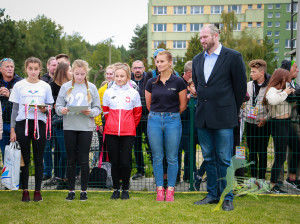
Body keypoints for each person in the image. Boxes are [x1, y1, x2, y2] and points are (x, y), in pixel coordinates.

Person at [192, 24, 247, 211]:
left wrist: (231, 108)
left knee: (225, 159)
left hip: (225, 117)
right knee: (208, 159)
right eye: (200, 37)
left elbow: (240, 89)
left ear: (216, 36)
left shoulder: (233, 57)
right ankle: (212, 194)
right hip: (203, 118)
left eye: (205, 37)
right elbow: (200, 86)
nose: (202, 40)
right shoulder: (197, 59)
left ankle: (227, 197)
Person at [9, 57, 54, 202]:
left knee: (39, 159)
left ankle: (37, 191)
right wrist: (12, 129)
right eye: (30, 69)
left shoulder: (45, 86)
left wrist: (44, 109)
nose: (33, 71)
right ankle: (25, 191)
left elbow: (50, 107)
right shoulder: (19, 85)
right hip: (23, 124)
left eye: (36, 69)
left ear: (40, 69)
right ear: (26, 69)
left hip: (39, 124)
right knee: (25, 159)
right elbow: (15, 109)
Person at [56, 59, 101, 201]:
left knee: (83, 160)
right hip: (69, 126)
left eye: (82, 74)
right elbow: (57, 106)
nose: (80, 77)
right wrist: (62, 110)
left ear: (86, 73)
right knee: (70, 160)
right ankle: (71, 190)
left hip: (85, 127)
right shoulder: (65, 87)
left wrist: (91, 112)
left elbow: (97, 108)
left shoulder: (92, 87)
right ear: (72, 73)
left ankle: (83, 191)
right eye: (77, 74)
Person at [145, 51, 187, 202]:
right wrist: (159, 115)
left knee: (172, 157)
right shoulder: (151, 82)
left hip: (173, 120)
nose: (159, 64)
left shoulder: (179, 82)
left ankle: (170, 190)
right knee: (157, 157)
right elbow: (149, 105)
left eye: (162, 61)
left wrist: (171, 115)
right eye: (157, 61)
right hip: (154, 120)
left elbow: (182, 105)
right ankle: (159, 190)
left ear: (170, 62)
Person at [103, 63, 142, 200]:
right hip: (111, 132)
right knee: (115, 162)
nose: (119, 79)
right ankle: (115, 189)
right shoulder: (108, 93)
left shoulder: (134, 93)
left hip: (128, 133)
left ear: (127, 77)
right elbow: (106, 112)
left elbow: (137, 114)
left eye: (122, 76)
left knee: (125, 162)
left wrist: (129, 125)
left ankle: (125, 188)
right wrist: (112, 124)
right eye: (117, 76)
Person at [262, 68, 299, 194]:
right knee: (280, 156)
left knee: (297, 147)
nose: (288, 81)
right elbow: (272, 100)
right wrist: (285, 93)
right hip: (278, 124)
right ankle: (272, 185)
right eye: (287, 79)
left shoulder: (284, 89)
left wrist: (292, 95)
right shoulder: (272, 90)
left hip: (287, 123)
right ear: (281, 78)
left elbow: (290, 101)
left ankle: (292, 177)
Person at [244, 60, 271, 187]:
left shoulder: (270, 86)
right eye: (251, 71)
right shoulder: (249, 85)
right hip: (249, 122)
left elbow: (273, 107)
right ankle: (253, 178)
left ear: (262, 72)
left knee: (262, 151)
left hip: (263, 123)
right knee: (252, 151)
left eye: (254, 72)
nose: (251, 74)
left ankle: (262, 179)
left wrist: (266, 118)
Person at [49, 62, 72, 190]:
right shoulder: (51, 86)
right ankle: (61, 178)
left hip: (74, 122)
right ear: (63, 72)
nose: (72, 73)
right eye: (70, 70)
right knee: (63, 152)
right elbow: (53, 105)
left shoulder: (73, 86)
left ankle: (69, 178)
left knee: (71, 152)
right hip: (59, 123)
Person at [280, 60, 300, 190]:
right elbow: (289, 98)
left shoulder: (295, 84)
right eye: (295, 67)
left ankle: (293, 177)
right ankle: (279, 180)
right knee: (281, 151)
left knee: (296, 149)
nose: (297, 70)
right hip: (285, 121)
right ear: (288, 70)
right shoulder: (282, 84)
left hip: (294, 120)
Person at [178, 61, 197, 182]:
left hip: (193, 131)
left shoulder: (198, 99)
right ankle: (175, 177)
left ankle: (189, 176)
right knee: (177, 154)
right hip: (180, 129)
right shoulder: (179, 85)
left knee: (191, 154)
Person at [0, 58, 22, 162]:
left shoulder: (20, 82)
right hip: (1, 122)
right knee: (4, 151)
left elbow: (23, 101)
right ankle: (6, 176)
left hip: (16, 122)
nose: (10, 69)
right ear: (1, 69)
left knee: (17, 150)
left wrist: (10, 95)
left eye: (12, 67)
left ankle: (18, 176)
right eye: (7, 66)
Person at [131, 60, 148, 180]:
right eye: (135, 68)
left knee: (152, 145)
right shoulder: (128, 81)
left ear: (144, 68)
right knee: (136, 145)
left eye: (140, 67)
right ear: (132, 69)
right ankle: (140, 170)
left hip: (148, 117)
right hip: (134, 118)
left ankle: (156, 172)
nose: (137, 70)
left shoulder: (149, 79)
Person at [41, 57, 58, 182]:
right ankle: (47, 171)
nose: (55, 67)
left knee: (59, 148)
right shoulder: (42, 81)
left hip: (58, 119)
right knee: (46, 146)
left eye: (57, 65)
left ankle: (58, 174)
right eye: (53, 65)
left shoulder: (62, 80)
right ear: (48, 66)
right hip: (46, 118)